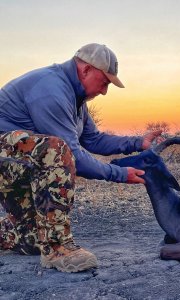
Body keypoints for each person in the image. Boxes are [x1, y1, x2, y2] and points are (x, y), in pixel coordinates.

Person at [0, 43, 162, 273]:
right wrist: (118, 174)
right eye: (105, 82)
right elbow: (72, 153)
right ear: (86, 70)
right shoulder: (51, 90)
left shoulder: (76, 100)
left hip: (16, 163)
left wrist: (137, 143)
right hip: (6, 158)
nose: (105, 91)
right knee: (55, 149)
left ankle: (20, 234)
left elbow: (94, 140)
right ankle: (58, 248)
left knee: (32, 240)